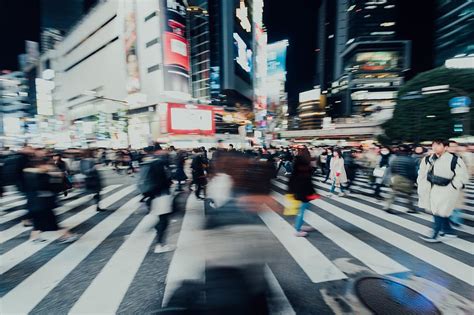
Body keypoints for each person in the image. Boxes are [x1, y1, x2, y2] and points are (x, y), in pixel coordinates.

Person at [418, 139, 469, 242]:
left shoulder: (455, 159)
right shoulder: (427, 159)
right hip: (430, 188)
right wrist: (422, 184)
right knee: (440, 211)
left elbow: (462, 176)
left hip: (446, 189)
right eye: (434, 145)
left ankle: (435, 234)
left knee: (438, 211)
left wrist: (453, 186)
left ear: (445, 147)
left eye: (439, 145)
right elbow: (422, 173)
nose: (435, 147)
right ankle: (449, 232)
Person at [24, 155, 78, 243]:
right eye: (48, 164)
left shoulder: (29, 174)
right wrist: (57, 177)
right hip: (43, 204)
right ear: (42, 165)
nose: (50, 166)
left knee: (38, 224)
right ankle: (66, 236)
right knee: (52, 223)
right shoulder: (43, 175)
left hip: (34, 203)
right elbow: (54, 187)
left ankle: (34, 238)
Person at [288, 147, 317, 237]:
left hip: (300, 190)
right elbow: (306, 179)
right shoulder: (303, 165)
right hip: (303, 191)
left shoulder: (299, 162)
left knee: (305, 207)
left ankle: (299, 224)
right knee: (303, 208)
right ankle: (297, 229)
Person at [384, 145, 417, 214]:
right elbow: (413, 171)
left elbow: (392, 168)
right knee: (409, 194)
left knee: (393, 192)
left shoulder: (395, 159)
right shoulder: (410, 160)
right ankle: (411, 208)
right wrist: (415, 179)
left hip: (397, 177)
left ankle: (387, 206)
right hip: (408, 179)